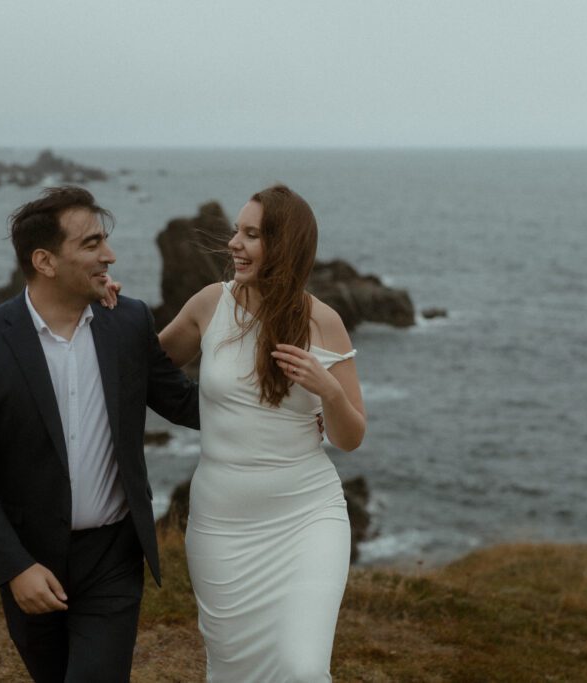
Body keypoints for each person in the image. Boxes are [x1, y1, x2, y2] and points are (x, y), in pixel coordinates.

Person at [0, 186, 199, 682]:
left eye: (106, 241)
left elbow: (183, 402)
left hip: (114, 556)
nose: (110, 255)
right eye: (92, 243)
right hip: (31, 558)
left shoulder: (129, 321)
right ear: (45, 261)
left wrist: (279, 406)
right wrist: (14, 567)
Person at [158, 184, 366, 681]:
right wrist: (107, 311)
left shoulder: (325, 323)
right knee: (232, 671)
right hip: (220, 529)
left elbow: (351, 435)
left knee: (302, 667)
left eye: (251, 234)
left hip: (306, 519)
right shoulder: (210, 304)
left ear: (284, 245)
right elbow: (143, 365)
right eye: (237, 231)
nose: (234, 243)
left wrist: (328, 391)